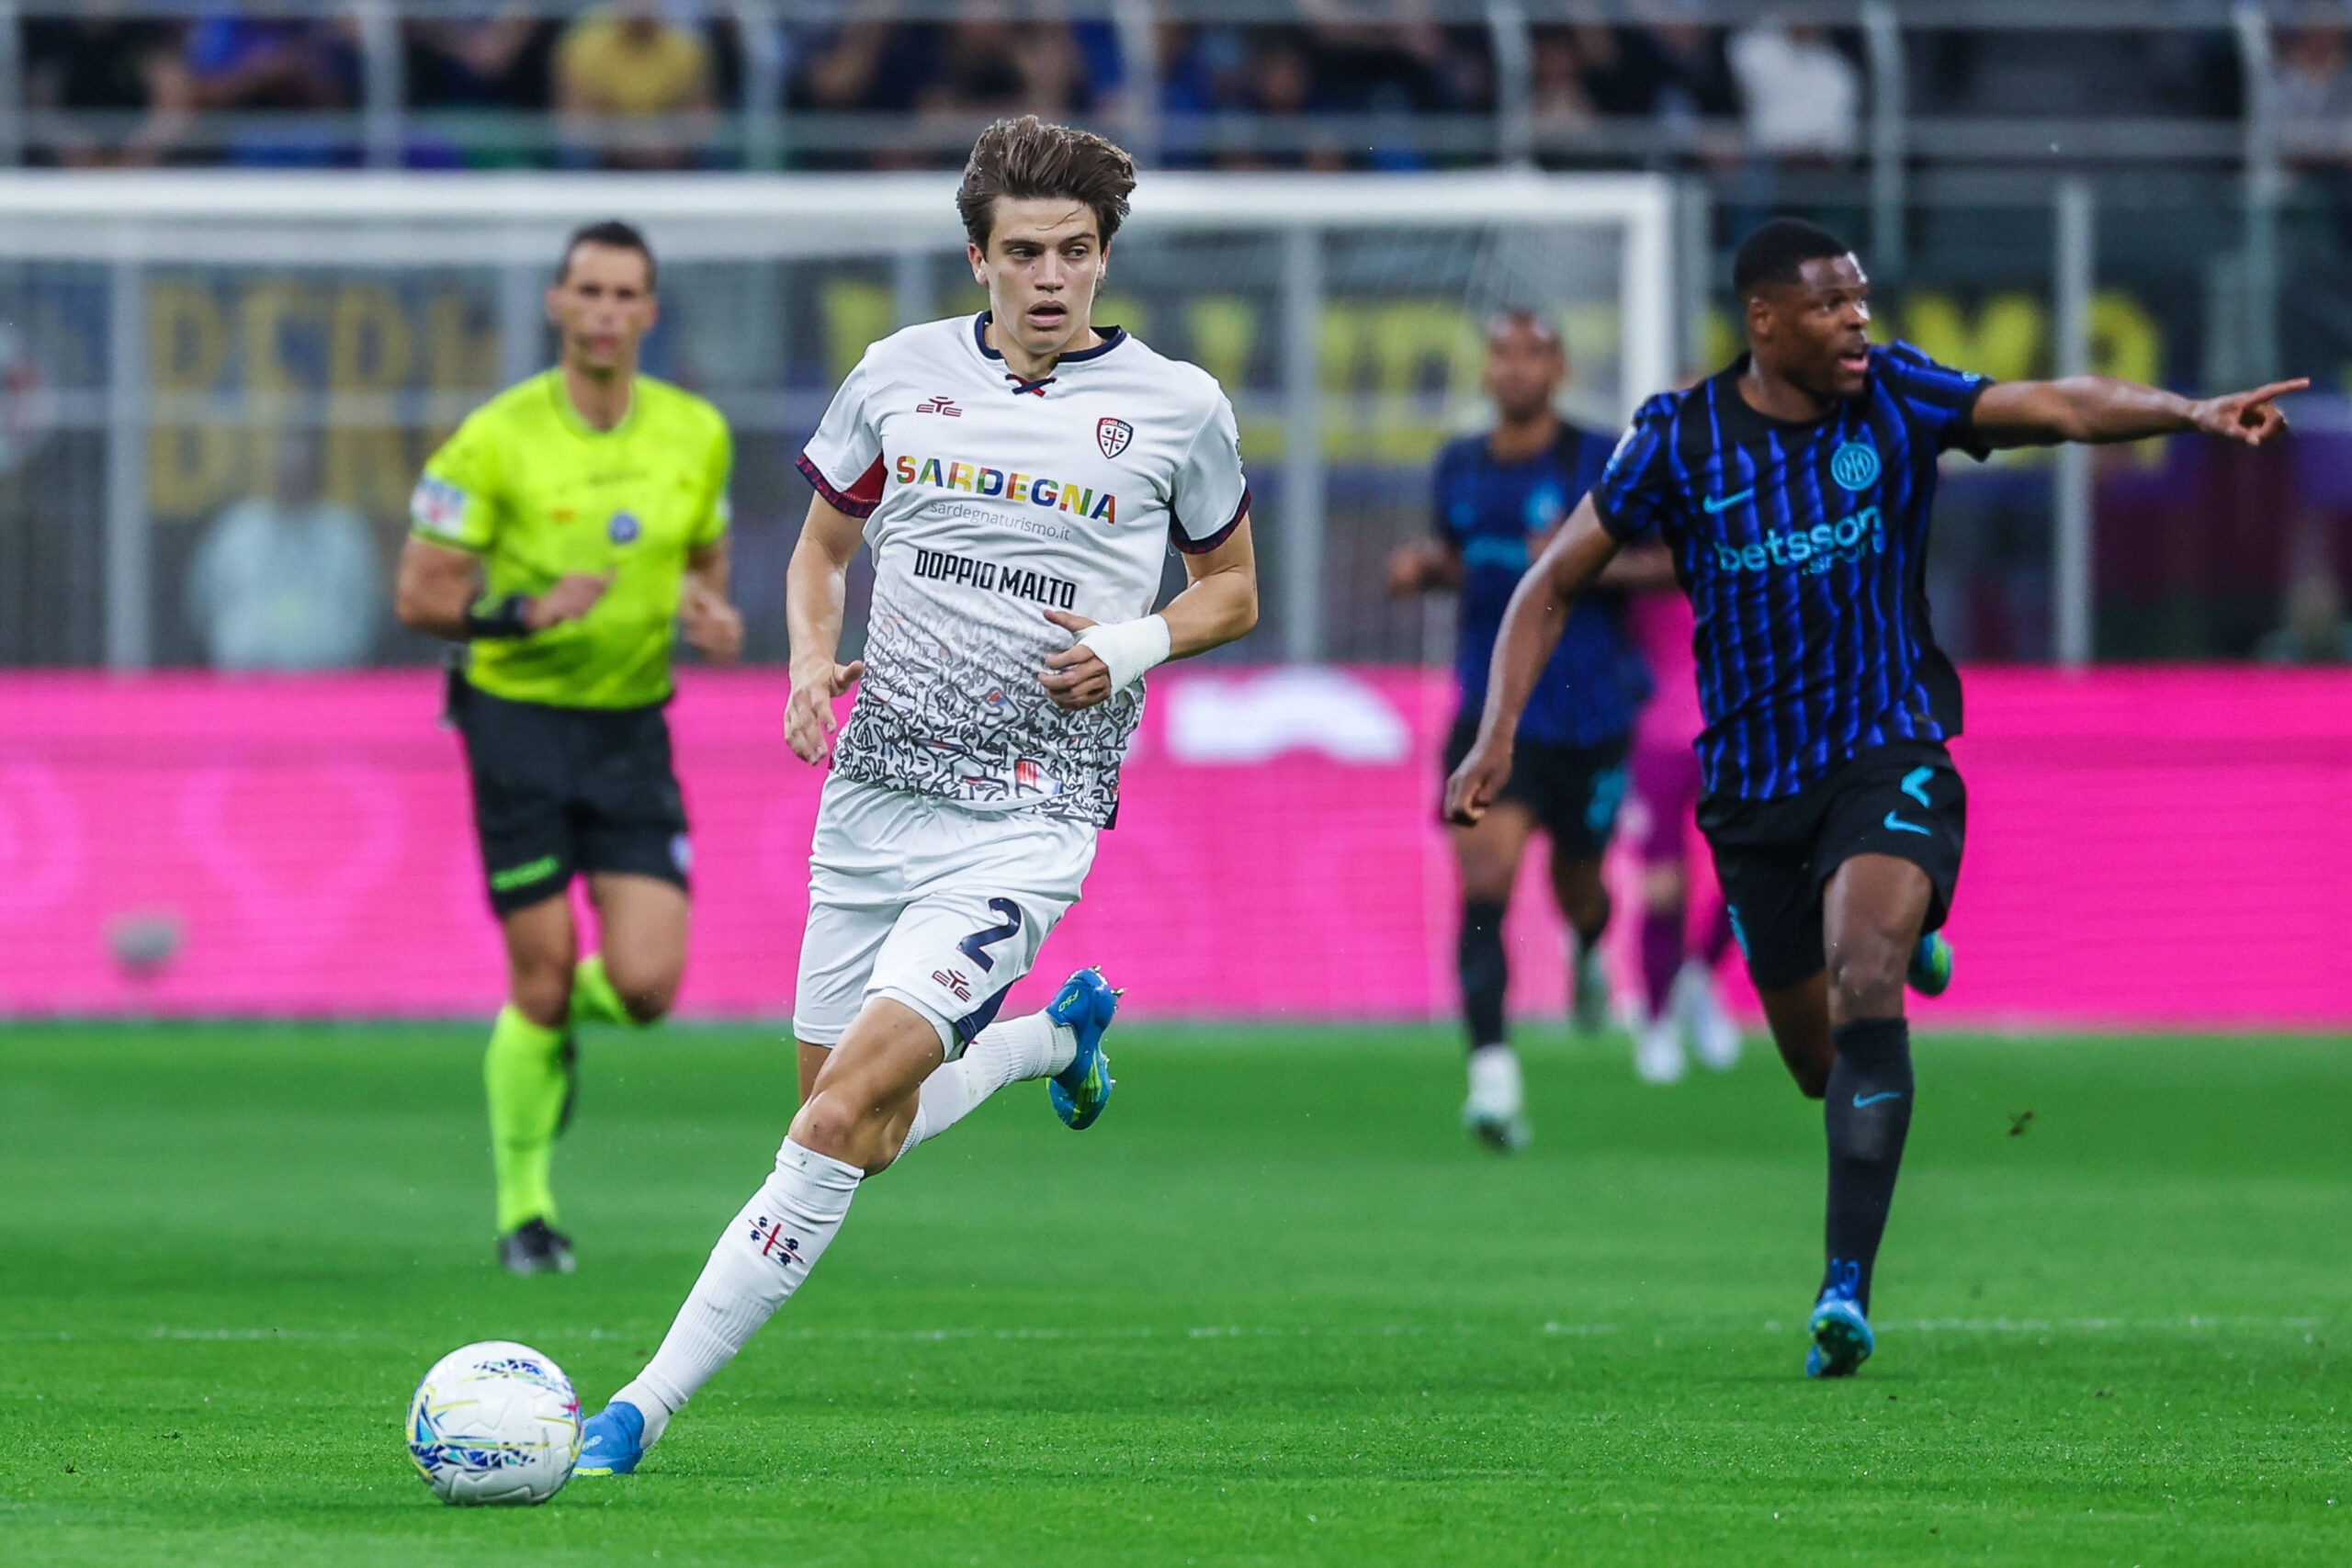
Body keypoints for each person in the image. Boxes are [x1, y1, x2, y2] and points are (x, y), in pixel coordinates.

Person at [1446, 218, 2302, 1378]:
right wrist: (1496, 732)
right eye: (1830, 304)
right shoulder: (1680, 439)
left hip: (1886, 748)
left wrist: (2191, 412)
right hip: (1753, 790)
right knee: (1817, 1062)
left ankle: (1843, 1287)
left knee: (1864, 980)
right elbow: (1550, 583)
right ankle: (1903, 938)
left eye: (1860, 299)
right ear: (1764, 320)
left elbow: (2057, 406)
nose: (1858, 320)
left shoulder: (1896, 393)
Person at [571, 115, 1259, 1477]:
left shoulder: (1179, 408)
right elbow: (821, 553)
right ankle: (1050, 1042)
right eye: (1025, 254)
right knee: (862, 1128)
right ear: (979, 259)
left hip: (1029, 817)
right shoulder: (897, 375)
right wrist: (807, 662)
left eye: (1076, 252)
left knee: (830, 1125)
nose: (1052, 278)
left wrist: (1133, 643)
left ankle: (636, 1410)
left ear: (1105, 257)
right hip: (873, 803)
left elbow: (1232, 591)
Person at [394, 220, 743, 1275]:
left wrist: (708, 610)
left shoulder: (695, 433)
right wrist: (521, 614)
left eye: (624, 294)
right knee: (540, 979)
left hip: (632, 727)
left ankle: (544, 1032)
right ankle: (526, 1213)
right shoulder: (492, 440)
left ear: (648, 312)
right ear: (556, 304)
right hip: (519, 727)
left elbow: (706, 559)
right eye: (587, 291)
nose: (604, 312)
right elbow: (419, 595)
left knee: (646, 987)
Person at [1387, 311, 1660, 1151]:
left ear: (1559, 369)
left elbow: (1674, 560)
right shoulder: (1459, 466)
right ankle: (1493, 1077)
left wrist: (1585, 562)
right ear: (1485, 370)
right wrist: (1431, 570)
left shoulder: (1600, 460)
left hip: (1588, 715)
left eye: (1533, 355)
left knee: (1579, 886)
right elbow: (1474, 563)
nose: (1515, 369)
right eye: (1501, 355)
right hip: (1491, 714)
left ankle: (1589, 943)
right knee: (1485, 882)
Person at [1622, 583, 1742, 1085]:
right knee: (1664, 888)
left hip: (1736, 734)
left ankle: (1697, 978)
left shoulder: (1746, 548)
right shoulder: (1642, 550)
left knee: (1755, 874)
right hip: (1658, 738)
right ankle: (1657, 1021)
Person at [184, 427, 382, 671]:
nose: (293, 474)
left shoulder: (344, 534)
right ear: (272, 468)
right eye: (287, 465)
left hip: (329, 676)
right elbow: (202, 607)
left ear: (317, 470)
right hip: (246, 678)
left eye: (301, 467)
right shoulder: (237, 531)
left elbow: (367, 612)